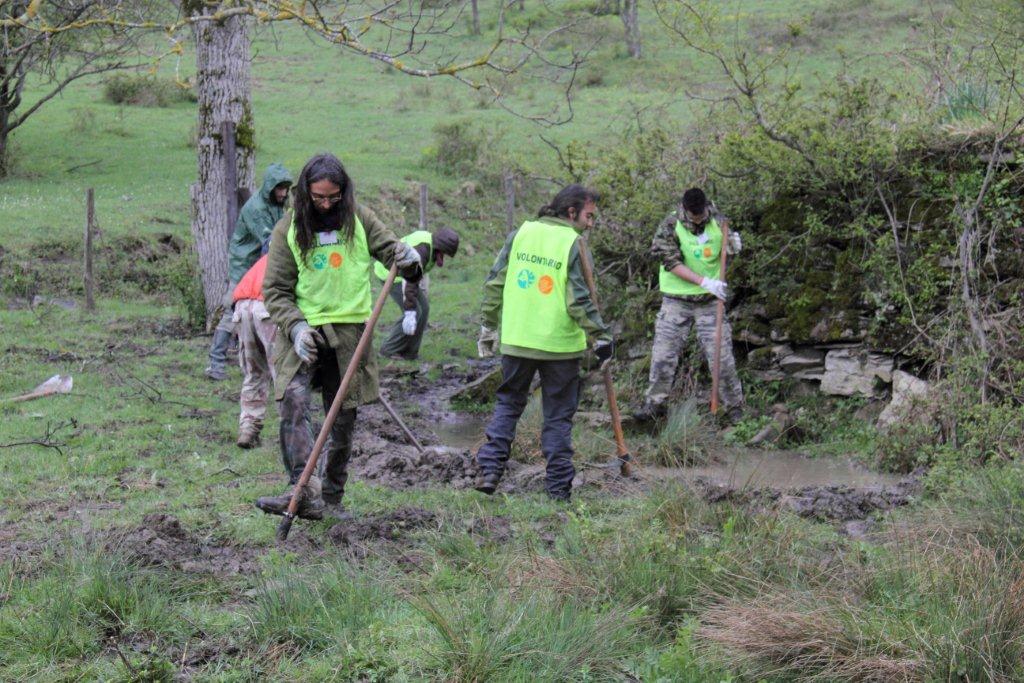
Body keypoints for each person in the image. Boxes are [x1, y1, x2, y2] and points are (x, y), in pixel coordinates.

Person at [255, 153, 423, 521]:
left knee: (342, 417)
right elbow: (276, 291)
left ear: (343, 193)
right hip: (305, 331)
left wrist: (409, 260)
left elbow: (393, 253)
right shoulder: (288, 228)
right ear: (305, 193)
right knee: (294, 401)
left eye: (333, 197)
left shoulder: (360, 219)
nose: (326, 204)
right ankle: (301, 489)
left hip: (351, 333)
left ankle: (330, 499)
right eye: (318, 197)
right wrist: (296, 327)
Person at [474, 184, 613, 502]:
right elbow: (579, 300)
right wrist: (601, 336)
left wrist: (489, 326)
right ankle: (559, 490)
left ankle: (489, 472)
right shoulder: (572, 243)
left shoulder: (520, 233)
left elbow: (495, 282)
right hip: (560, 347)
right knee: (558, 416)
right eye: (589, 216)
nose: (591, 224)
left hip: (518, 340)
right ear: (571, 212)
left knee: (508, 405)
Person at [634, 187, 745, 423]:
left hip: (710, 303)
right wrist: (704, 282)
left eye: (701, 213)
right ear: (685, 209)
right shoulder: (669, 226)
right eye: (694, 215)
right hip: (676, 300)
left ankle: (735, 409)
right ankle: (655, 405)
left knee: (722, 358)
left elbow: (724, 256)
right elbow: (671, 262)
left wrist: (732, 249)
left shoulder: (719, 220)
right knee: (663, 355)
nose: (698, 218)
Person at [205, 163, 293, 381]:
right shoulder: (256, 209)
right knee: (231, 310)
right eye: (279, 188)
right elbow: (271, 240)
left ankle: (265, 359)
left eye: (285, 188)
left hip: (260, 264)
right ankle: (215, 362)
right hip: (244, 264)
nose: (283, 193)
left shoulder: (278, 202)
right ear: (270, 187)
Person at [376, 227, 460, 361]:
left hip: (407, 276)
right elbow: (409, 280)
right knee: (414, 310)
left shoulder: (431, 246)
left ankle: (410, 353)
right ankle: (388, 349)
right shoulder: (423, 250)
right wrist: (409, 311)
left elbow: (415, 274)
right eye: (445, 253)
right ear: (441, 247)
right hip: (392, 275)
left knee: (424, 309)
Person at [231, 252, 275, 449]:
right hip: (267, 306)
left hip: (242, 306)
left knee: (254, 372)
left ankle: (249, 428)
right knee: (284, 374)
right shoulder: (296, 252)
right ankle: (292, 432)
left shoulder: (266, 257)